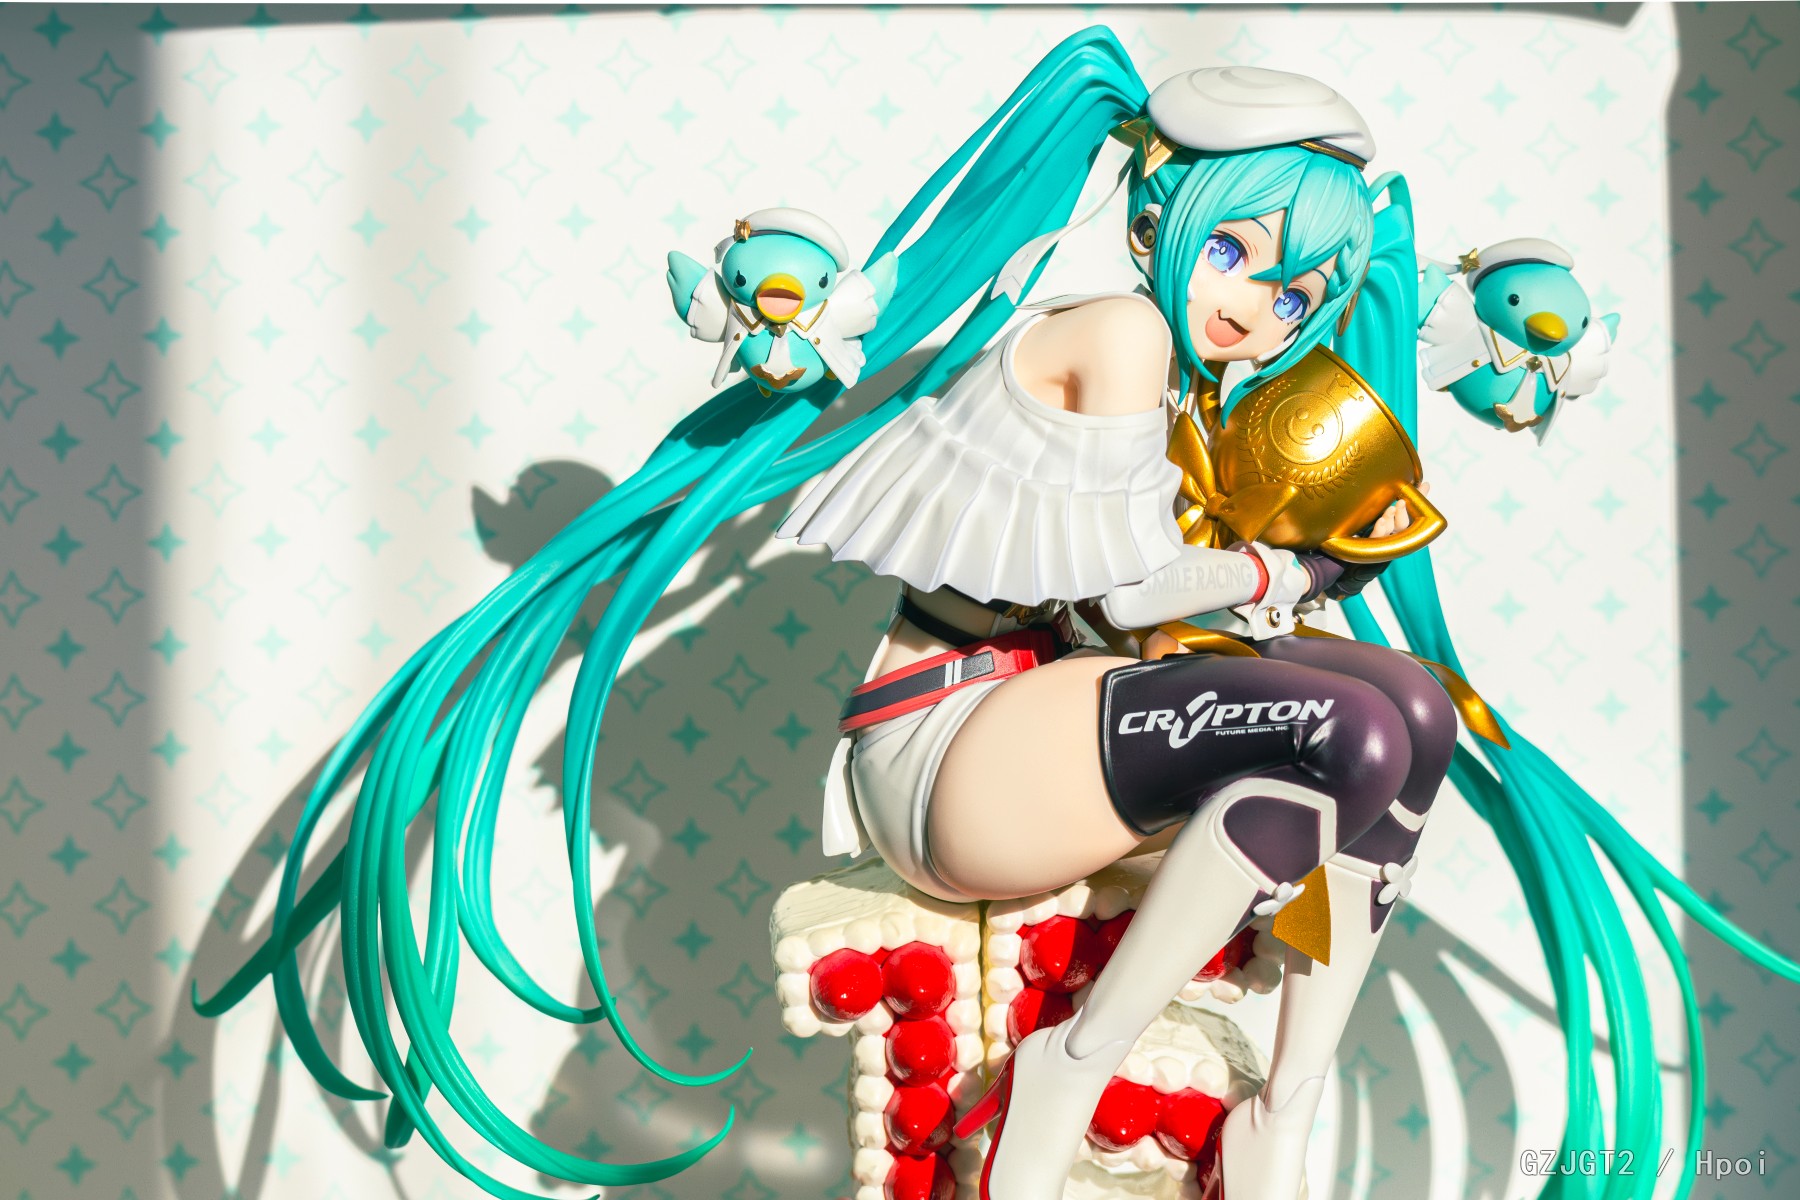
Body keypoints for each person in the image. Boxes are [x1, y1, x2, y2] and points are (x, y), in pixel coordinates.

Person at [197, 25, 1799, 1200]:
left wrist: (1340, 506)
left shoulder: (1215, 383)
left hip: (1060, 732)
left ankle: (1282, 1103)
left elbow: (1171, 617)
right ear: (1162, 216)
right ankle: (1068, 1073)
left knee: (1413, 720)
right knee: (1339, 724)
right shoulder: (1119, 336)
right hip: (949, 748)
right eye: (1242, 252)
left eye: (1301, 288)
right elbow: (1126, 601)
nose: (1263, 304)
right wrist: (1275, 576)